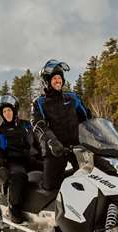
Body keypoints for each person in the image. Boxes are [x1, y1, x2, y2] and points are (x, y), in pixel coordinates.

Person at [31, 59, 92, 192]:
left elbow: (87, 119)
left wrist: (98, 137)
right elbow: (38, 125)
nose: (58, 80)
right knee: (50, 187)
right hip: (55, 149)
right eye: (54, 78)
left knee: (91, 179)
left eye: (60, 78)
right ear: (47, 81)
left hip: (77, 148)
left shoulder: (72, 98)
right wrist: (52, 141)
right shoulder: (40, 102)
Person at [0, 94, 41, 224]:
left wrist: (45, 154)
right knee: (18, 175)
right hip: (12, 162)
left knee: (51, 168)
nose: (7, 113)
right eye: (4, 111)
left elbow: (36, 141)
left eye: (9, 110)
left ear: (14, 111)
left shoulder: (26, 125)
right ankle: (14, 209)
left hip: (29, 159)